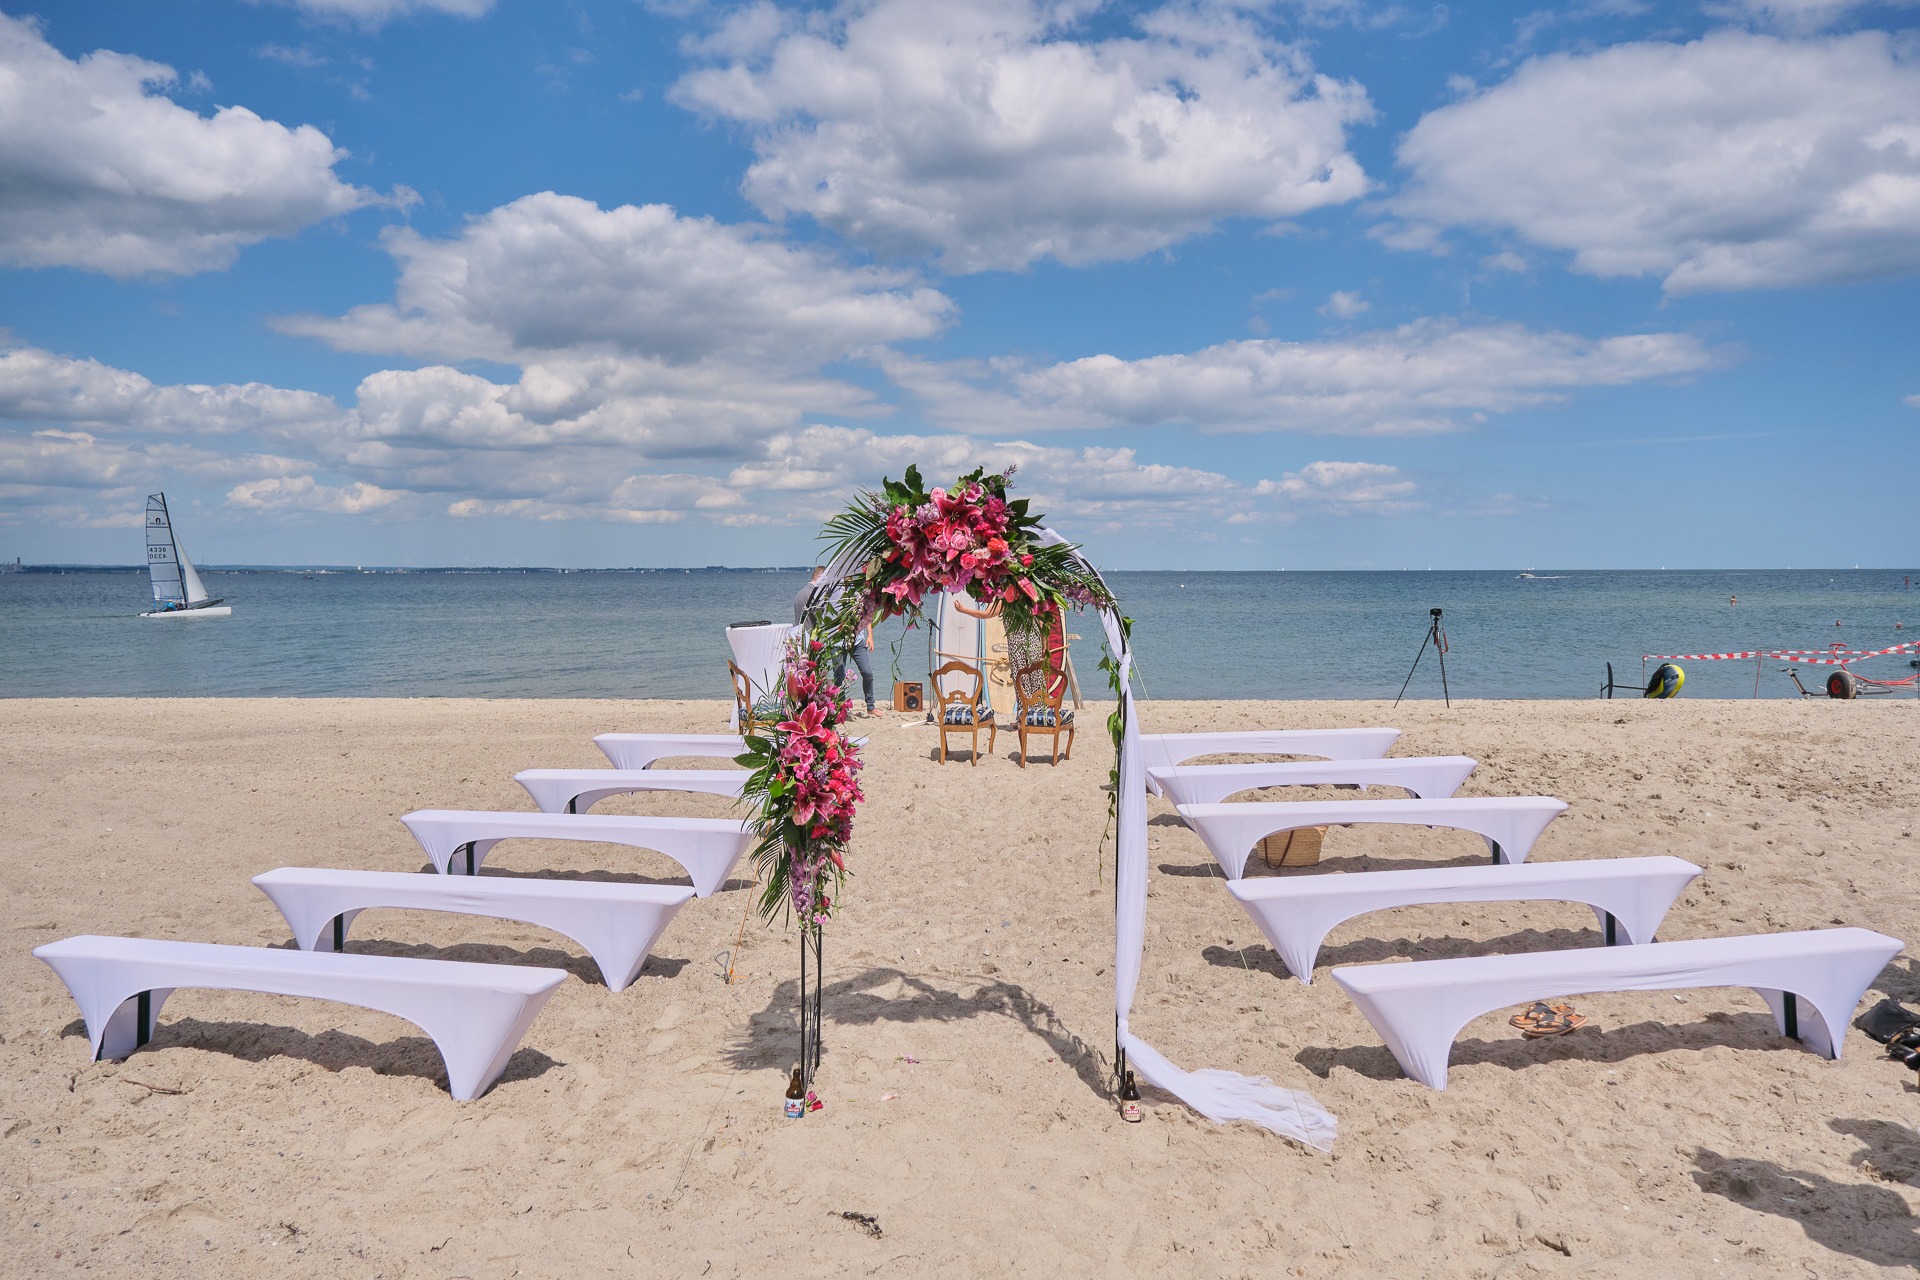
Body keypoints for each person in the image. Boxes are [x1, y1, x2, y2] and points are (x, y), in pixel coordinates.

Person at [835, 617, 880, 718]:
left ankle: (871, 707)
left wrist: (870, 636)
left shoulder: (858, 600)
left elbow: (867, 614)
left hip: (857, 641)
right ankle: (841, 708)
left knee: (867, 672)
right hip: (837, 641)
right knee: (839, 675)